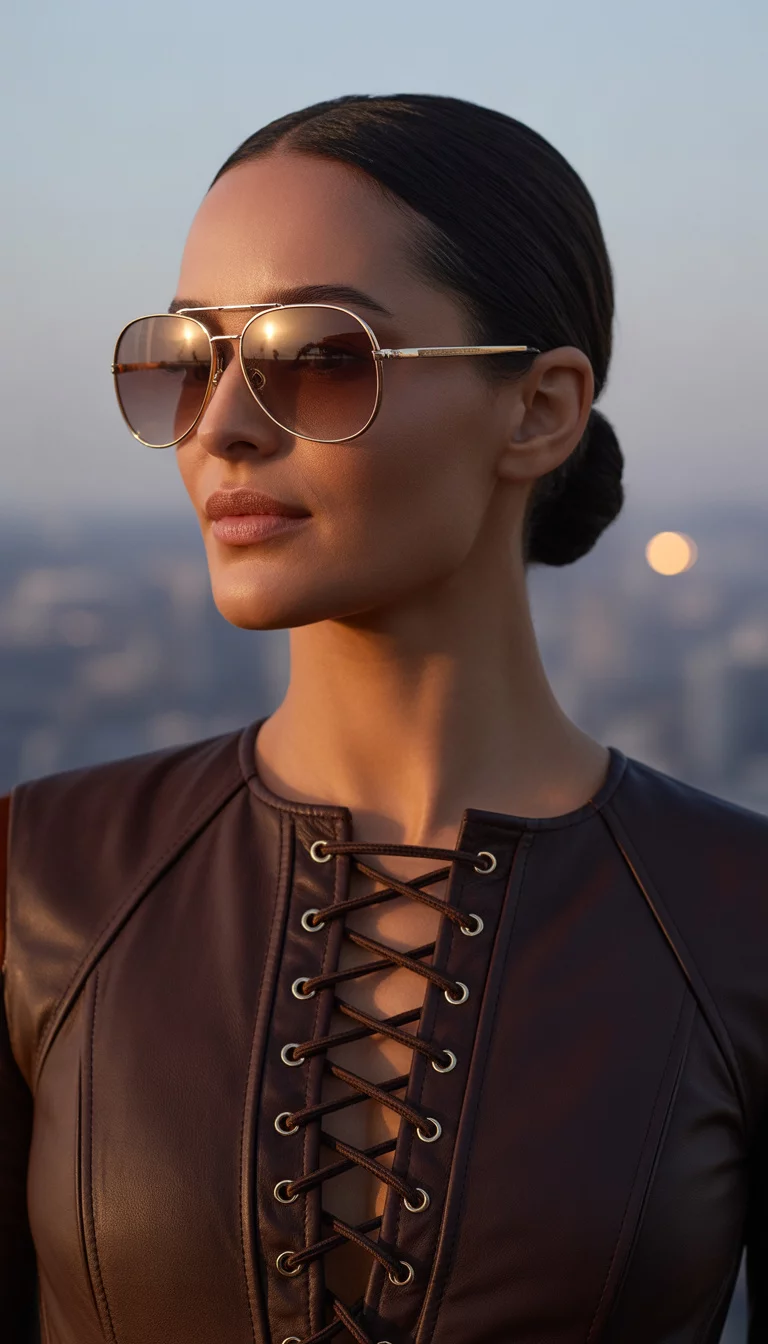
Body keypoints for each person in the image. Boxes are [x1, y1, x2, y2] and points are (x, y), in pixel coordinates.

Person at [1, 92, 766, 1344]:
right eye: (187, 360)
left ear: (541, 410)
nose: (221, 427)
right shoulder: (42, 879)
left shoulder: (736, 918)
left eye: (317, 353)